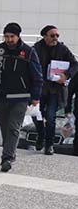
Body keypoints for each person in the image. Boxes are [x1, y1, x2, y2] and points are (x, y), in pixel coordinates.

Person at [0, 23, 42, 172]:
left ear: (18, 36)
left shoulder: (28, 52)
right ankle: (9, 151)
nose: (9, 40)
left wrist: (36, 96)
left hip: (21, 97)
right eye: (6, 36)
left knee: (13, 127)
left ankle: (7, 157)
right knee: (4, 126)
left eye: (12, 36)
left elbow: (37, 76)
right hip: (2, 95)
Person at [33, 25, 78, 155]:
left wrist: (66, 75)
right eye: (52, 35)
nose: (55, 38)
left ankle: (49, 144)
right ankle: (41, 134)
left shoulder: (62, 49)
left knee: (51, 117)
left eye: (57, 35)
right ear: (44, 36)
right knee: (36, 115)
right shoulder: (36, 49)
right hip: (39, 88)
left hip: (55, 90)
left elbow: (75, 64)